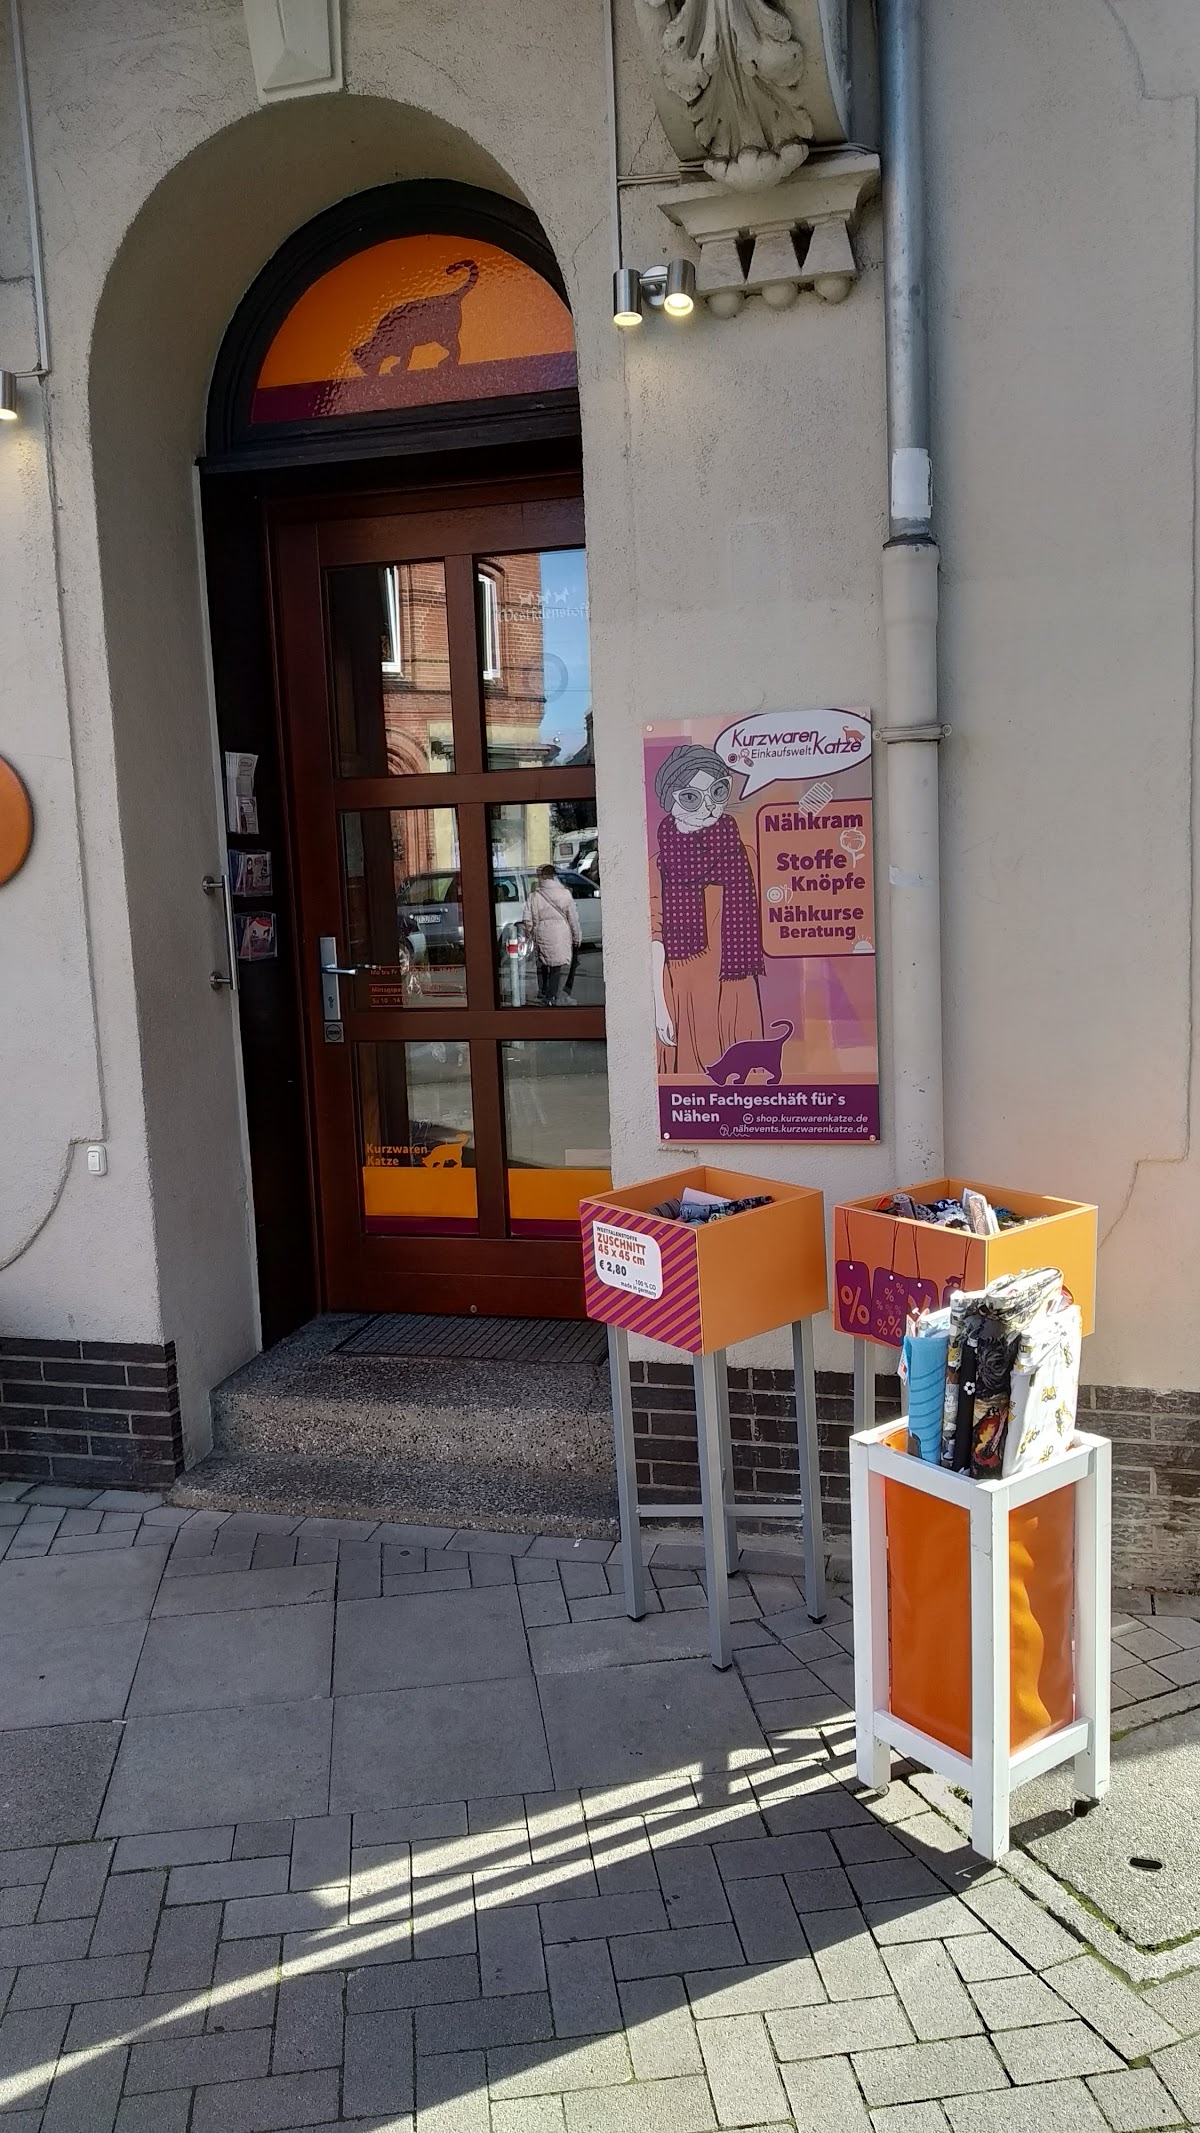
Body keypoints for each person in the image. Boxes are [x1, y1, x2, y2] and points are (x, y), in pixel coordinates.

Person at [650, 743, 764, 1076]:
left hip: (735, 983)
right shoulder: (660, 864)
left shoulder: (744, 855)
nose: (709, 806)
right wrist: (660, 1006)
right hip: (684, 989)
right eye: (691, 797)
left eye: (718, 791)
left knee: (746, 1081)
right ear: (669, 800)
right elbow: (655, 939)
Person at [524, 864, 581, 1004]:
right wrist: (576, 936)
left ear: (541, 877)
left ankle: (543, 990)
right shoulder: (565, 894)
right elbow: (573, 918)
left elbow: (527, 919)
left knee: (542, 962)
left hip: (541, 931)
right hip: (560, 933)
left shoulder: (534, 895)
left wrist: (531, 932)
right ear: (554, 876)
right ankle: (551, 996)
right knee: (556, 965)